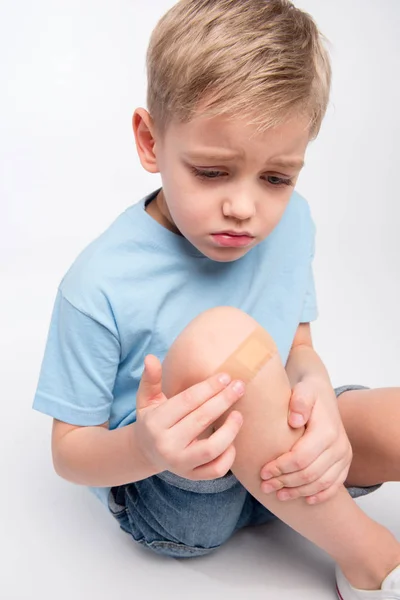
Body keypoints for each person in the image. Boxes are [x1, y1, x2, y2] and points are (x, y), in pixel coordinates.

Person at [32, 1, 400, 598]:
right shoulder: (97, 281)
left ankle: (318, 499)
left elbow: (298, 346)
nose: (244, 207)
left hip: (280, 453)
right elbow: (69, 453)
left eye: (277, 178)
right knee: (217, 337)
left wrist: (317, 393)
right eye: (211, 172)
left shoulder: (292, 223)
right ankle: (371, 559)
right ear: (151, 142)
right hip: (183, 492)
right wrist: (146, 447)